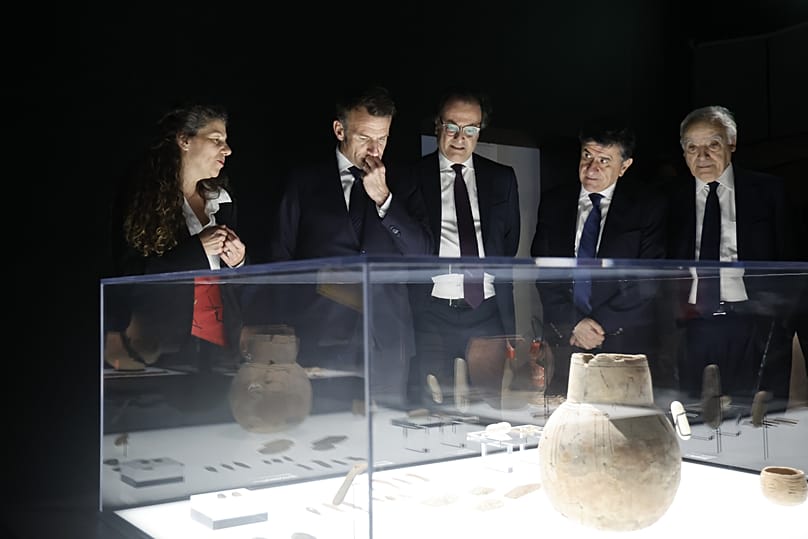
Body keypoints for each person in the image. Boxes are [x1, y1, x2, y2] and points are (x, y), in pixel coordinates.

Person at [245, 84, 433, 408]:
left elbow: (424, 254)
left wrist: (385, 201)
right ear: (339, 129)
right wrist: (282, 334)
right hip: (319, 336)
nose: (375, 150)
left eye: (383, 138)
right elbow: (280, 259)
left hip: (386, 339)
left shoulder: (403, 183)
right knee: (322, 435)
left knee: (386, 439)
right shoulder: (304, 182)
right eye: (364, 137)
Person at [104, 103, 247, 373]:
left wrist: (240, 261)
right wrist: (198, 251)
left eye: (226, 142)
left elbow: (236, 283)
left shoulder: (223, 201)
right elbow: (131, 276)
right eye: (216, 140)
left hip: (223, 350)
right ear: (184, 140)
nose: (227, 150)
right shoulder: (141, 199)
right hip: (165, 351)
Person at [665, 105, 791, 402]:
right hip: (692, 327)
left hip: (753, 322)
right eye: (692, 147)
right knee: (697, 421)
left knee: (753, 423)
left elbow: (790, 255)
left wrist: (784, 321)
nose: (702, 156)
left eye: (713, 144)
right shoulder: (669, 199)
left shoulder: (768, 191)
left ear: (731, 144)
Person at [404, 87, 521, 406]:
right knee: (430, 406)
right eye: (452, 126)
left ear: (480, 130)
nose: (460, 137)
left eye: (471, 129)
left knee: (488, 405)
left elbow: (508, 245)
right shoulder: (411, 176)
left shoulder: (502, 178)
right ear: (437, 126)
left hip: (486, 309)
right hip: (431, 309)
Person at [530, 122, 667, 396]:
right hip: (566, 341)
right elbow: (544, 272)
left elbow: (648, 280)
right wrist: (575, 324)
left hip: (622, 343)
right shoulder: (555, 202)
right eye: (586, 156)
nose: (592, 168)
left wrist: (598, 324)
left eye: (604, 160)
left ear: (625, 166)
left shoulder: (647, 205)